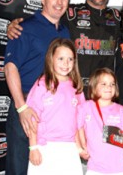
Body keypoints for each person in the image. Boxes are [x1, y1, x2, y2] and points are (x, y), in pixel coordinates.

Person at [7, 0, 120, 94]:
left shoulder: (119, 18)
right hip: (74, 92)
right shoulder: (69, 13)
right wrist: (14, 25)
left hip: (104, 93)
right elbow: (43, 17)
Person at [4, 0, 71, 175]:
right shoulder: (25, 27)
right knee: (19, 167)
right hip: (27, 107)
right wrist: (21, 107)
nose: (59, 2)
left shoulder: (65, 32)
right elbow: (10, 67)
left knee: (45, 168)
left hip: (53, 112)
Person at [26, 38, 84, 175]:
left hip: (69, 148)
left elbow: (78, 122)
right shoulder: (42, 85)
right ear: (51, 59)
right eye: (61, 58)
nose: (66, 63)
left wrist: (80, 146)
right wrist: (33, 147)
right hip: (45, 147)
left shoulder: (76, 88)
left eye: (70, 59)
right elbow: (32, 119)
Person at [77, 67, 123, 174]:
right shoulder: (85, 107)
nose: (109, 87)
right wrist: (81, 147)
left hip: (121, 169)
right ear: (94, 86)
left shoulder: (122, 110)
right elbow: (77, 128)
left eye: (112, 84)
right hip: (95, 169)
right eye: (103, 84)